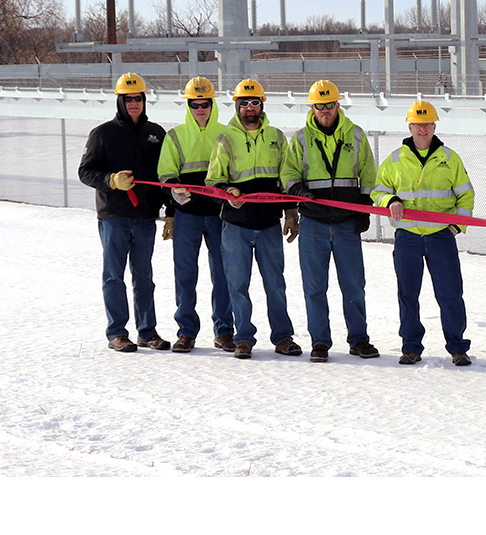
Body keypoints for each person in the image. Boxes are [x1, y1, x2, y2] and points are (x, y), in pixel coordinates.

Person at [280, 80, 379, 363]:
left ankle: (359, 339)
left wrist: (364, 206)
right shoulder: (300, 139)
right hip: (313, 224)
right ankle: (320, 342)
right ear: (312, 107)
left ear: (338, 105)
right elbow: (288, 174)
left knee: (353, 285)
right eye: (319, 106)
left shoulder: (356, 135)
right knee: (314, 287)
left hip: (348, 223)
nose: (325, 110)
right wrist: (298, 191)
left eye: (330, 105)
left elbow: (369, 174)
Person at [373, 99, 476, 367]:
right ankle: (411, 347)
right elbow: (378, 191)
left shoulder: (449, 158)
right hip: (408, 237)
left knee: (450, 293)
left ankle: (457, 347)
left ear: (434, 126)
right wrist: (391, 201)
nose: (422, 130)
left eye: (427, 124)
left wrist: (457, 226)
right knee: (408, 294)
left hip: (441, 237)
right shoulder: (395, 159)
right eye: (418, 125)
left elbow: (466, 194)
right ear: (409, 126)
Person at [206, 78, 301, 360]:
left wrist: (292, 213)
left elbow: (286, 179)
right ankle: (243, 338)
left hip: (269, 224)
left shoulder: (276, 137)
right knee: (237, 285)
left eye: (254, 102)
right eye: (244, 103)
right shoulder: (225, 139)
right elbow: (213, 181)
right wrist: (227, 192)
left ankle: (283, 337)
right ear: (236, 106)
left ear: (262, 105)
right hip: (236, 225)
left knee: (276, 284)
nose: (249, 108)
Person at [77, 72, 172, 352]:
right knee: (113, 276)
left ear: (144, 100)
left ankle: (147, 332)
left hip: (145, 219)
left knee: (144, 277)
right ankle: (117, 332)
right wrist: (110, 180)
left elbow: (164, 177)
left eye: (138, 98)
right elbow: (85, 172)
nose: (134, 103)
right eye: (129, 99)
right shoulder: (103, 133)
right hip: (114, 217)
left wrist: (171, 211)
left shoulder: (155, 133)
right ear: (120, 100)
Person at [156, 76, 235, 353]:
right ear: (187, 106)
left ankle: (224, 331)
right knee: (185, 274)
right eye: (194, 104)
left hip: (219, 215)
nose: (199, 109)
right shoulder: (175, 136)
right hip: (187, 215)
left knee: (222, 273)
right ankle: (186, 332)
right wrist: (172, 193)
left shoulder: (225, 134)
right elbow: (166, 172)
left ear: (212, 104)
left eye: (204, 104)